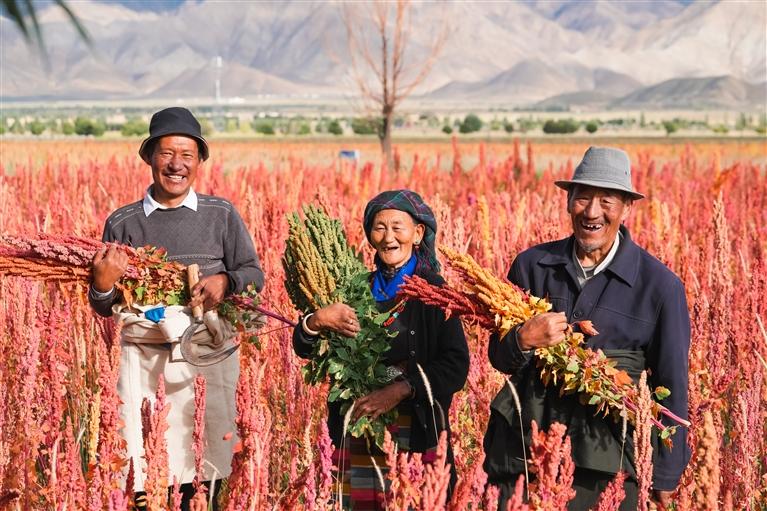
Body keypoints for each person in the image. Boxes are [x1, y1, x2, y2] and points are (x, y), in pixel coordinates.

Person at [483, 147, 691, 510]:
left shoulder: (659, 286)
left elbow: (672, 383)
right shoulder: (532, 266)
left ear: (627, 208)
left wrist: (665, 473)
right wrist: (523, 339)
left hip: (609, 464)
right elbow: (499, 356)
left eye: (606, 201)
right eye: (582, 198)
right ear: (568, 202)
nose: (592, 212)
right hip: (525, 451)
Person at [88, 107, 264, 510]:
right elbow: (103, 306)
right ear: (150, 158)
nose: (176, 164)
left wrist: (226, 282)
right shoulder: (123, 222)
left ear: (200, 161)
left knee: (204, 467)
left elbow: (254, 274)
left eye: (187, 154)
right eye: (166, 153)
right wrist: (103, 284)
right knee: (145, 467)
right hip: (144, 363)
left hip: (205, 359)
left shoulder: (221, 214)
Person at [293, 190, 470, 510]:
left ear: (418, 233)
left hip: (416, 432)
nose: (389, 237)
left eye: (397, 227)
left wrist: (402, 389)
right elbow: (306, 349)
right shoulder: (351, 287)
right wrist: (316, 320)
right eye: (380, 227)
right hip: (358, 428)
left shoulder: (435, 292)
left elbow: (456, 366)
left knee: (414, 501)